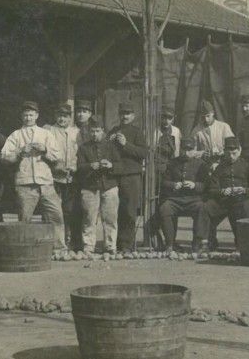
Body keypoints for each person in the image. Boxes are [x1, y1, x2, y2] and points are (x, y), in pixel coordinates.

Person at [0, 101, 66, 249]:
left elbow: (58, 156)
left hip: (46, 182)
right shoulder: (15, 135)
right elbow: (4, 157)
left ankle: (59, 248)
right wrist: (20, 151)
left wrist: (45, 150)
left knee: (56, 215)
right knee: (25, 219)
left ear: (37, 116)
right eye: (26, 115)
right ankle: (25, 249)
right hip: (25, 183)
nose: (28, 118)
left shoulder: (46, 134)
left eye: (31, 115)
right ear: (21, 116)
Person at [155, 135, 208, 252]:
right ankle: (170, 243)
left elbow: (206, 185)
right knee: (165, 208)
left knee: (202, 208)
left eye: (189, 150)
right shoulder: (172, 163)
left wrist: (194, 185)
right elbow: (164, 182)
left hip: (194, 199)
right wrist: (174, 185)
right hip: (175, 199)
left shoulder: (201, 164)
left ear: (194, 149)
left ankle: (197, 243)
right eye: (184, 149)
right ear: (180, 149)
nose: (186, 152)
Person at [201, 137, 249, 245]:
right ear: (224, 152)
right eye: (228, 154)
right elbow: (212, 189)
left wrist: (244, 190)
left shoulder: (248, 166)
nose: (231, 157)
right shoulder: (220, 168)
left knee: (246, 208)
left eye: (234, 153)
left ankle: (241, 244)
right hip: (223, 201)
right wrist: (222, 191)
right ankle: (209, 242)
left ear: (239, 151)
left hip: (241, 200)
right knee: (206, 207)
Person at [76, 117, 119, 254]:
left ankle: (110, 246)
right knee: (89, 217)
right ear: (89, 132)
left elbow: (120, 164)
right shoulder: (83, 148)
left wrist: (111, 165)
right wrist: (90, 166)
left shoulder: (111, 146)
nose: (95, 134)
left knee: (110, 218)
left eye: (98, 131)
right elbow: (79, 167)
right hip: (90, 187)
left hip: (109, 186)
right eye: (92, 131)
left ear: (103, 131)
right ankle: (89, 246)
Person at [109, 102, 148, 252]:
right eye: (122, 113)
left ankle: (127, 245)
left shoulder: (137, 132)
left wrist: (126, 144)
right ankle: (115, 243)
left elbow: (144, 153)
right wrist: (109, 141)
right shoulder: (113, 131)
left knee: (130, 211)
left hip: (132, 176)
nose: (124, 116)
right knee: (115, 210)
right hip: (115, 175)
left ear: (133, 116)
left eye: (128, 114)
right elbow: (106, 150)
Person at [47, 103, 82, 250]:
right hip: (54, 177)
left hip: (72, 177)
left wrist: (75, 167)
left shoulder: (77, 132)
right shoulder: (49, 130)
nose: (62, 119)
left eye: (65, 116)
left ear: (70, 117)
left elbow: (81, 153)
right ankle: (55, 243)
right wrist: (56, 165)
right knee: (54, 211)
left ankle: (72, 241)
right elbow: (46, 152)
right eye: (59, 116)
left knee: (71, 210)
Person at [154, 106, 181, 189]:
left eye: (170, 118)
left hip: (171, 165)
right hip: (158, 165)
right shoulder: (155, 131)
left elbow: (177, 149)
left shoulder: (176, 131)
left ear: (173, 118)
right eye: (164, 117)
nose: (166, 121)